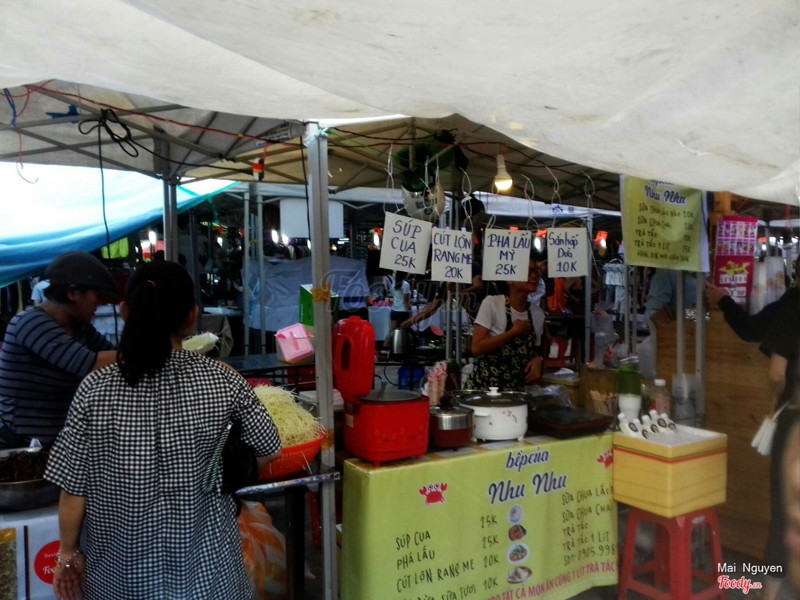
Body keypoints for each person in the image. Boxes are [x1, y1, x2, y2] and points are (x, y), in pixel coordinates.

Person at [44, 260, 282, 600]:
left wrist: (68, 554)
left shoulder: (94, 389)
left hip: (119, 583)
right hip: (210, 581)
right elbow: (269, 450)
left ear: (125, 311)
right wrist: (216, 473)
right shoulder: (224, 380)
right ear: (192, 317)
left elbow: (73, 489)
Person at [706, 270, 799, 600]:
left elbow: (776, 370)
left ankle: (767, 595)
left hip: (794, 420)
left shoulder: (795, 302)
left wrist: (777, 400)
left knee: (785, 514)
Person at [0, 252, 118, 449]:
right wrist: (146, 353)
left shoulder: (81, 328)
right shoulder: (31, 323)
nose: (100, 304)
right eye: (97, 296)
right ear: (72, 292)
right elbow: (90, 364)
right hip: (21, 446)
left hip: (59, 443)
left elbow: (115, 358)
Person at [464, 253, 546, 391]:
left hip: (515, 393)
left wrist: (538, 359)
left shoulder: (537, 314)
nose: (534, 276)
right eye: (528, 271)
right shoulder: (492, 303)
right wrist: (512, 332)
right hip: (484, 390)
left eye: (536, 271)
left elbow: (537, 351)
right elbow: (476, 348)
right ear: (510, 279)